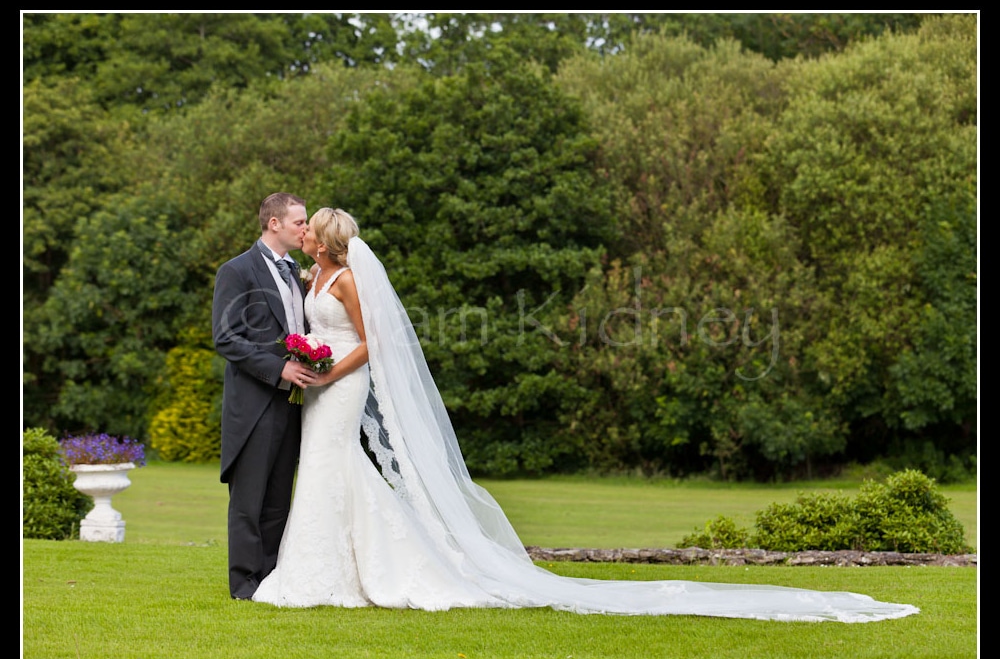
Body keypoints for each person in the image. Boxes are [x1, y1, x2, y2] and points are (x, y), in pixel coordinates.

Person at [252, 207, 919, 622]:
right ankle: (322, 565)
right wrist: (304, 356)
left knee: (338, 466)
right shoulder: (311, 279)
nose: (307, 233)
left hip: (339, 382)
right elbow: (313, 329)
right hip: (316, 385)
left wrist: (329, 367)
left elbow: (370, 342)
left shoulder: (347, 281)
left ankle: (358, 568)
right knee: (325, 469)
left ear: (329, 246)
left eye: (314, 230)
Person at [212, 192, 325, 600]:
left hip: (293, 403)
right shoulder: (236, 271)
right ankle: (243, 585)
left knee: (279, 497)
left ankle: (270, 581)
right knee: (249, 500)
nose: (306, 228)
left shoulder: (299, 272)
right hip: (255, 403)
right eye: (299, 222)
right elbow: (225, 338)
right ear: (273, 223)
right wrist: (279, 367)